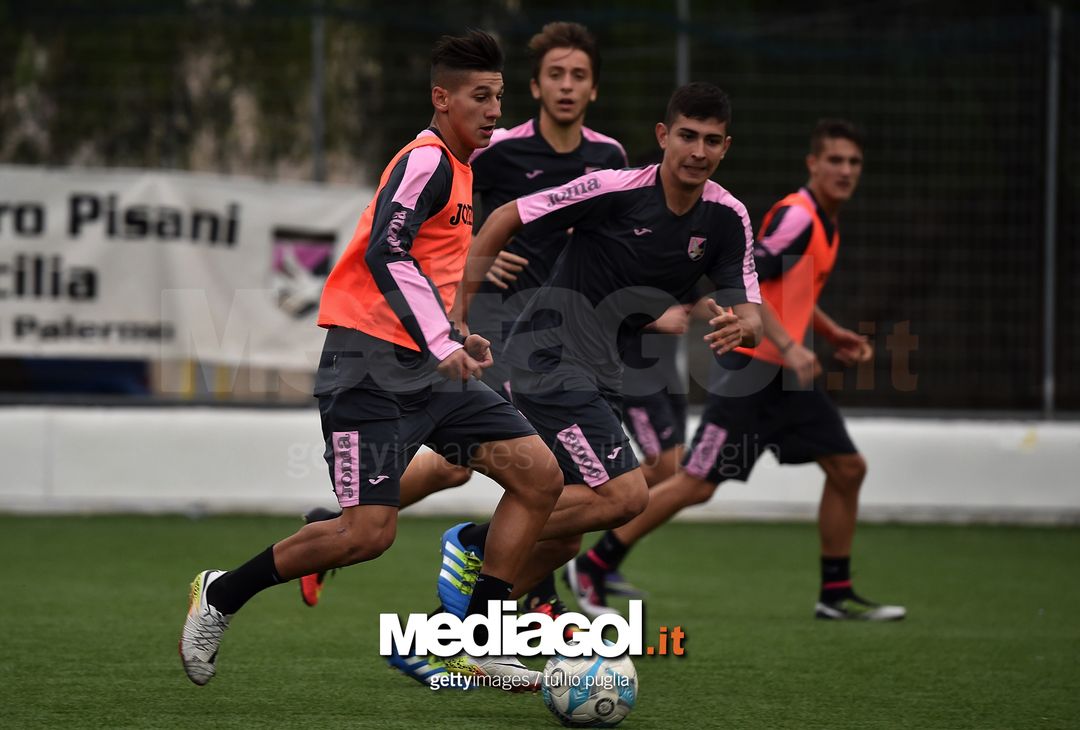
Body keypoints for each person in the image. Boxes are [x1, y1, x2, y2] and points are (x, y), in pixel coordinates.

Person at [178, 30, 564, 690]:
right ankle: (220, 593)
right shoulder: (426, 161)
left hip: (428, 369)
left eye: (499, 96)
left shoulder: (462, 168)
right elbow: (389, 251)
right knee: (366, 535)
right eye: (480, 96)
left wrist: (454, 333)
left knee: (539, 478)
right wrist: (441, 340)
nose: (494, 110)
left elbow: (425, 269)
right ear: (442, 99)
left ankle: (479, 641)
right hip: (366, 368)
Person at [298, 21, 631, 619]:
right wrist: (479, 266)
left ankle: (348, 528)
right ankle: (509, 602)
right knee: (546, 475)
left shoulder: (609, 158)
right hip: (505, 330)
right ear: (538, 86)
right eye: (555, 74)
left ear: (594, 89)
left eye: (579, 75)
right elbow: (447, 231)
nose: (567, 85)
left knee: (474, 469)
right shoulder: (494, 149)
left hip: (565, 334)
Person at [434, 82, 763, 635]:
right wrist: (459, 315)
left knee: (562, 538)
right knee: (625, 495)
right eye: (687, 136)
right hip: (548, 358)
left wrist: (742, 326)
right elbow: (507, 215)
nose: (698, 151)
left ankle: (455, 631)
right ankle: (472, 542)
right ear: (663, 136)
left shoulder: (727, 218)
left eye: (711, 141)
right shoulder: (614, 188)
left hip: (601, 373)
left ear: (725, 147)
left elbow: (751, 312)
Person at [568, 118, 907, 622]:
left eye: (853, 162)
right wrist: (789, 345)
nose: (845, 170)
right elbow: (753, 283)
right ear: (813, 164)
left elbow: (792, 292)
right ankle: (594, 563)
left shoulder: (826, 223)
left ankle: (835, 593)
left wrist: (831, 333)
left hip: (786, 380)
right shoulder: (798, 217)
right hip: (754, 373)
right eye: (835, 160)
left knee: (848, 468)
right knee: (694, 482)